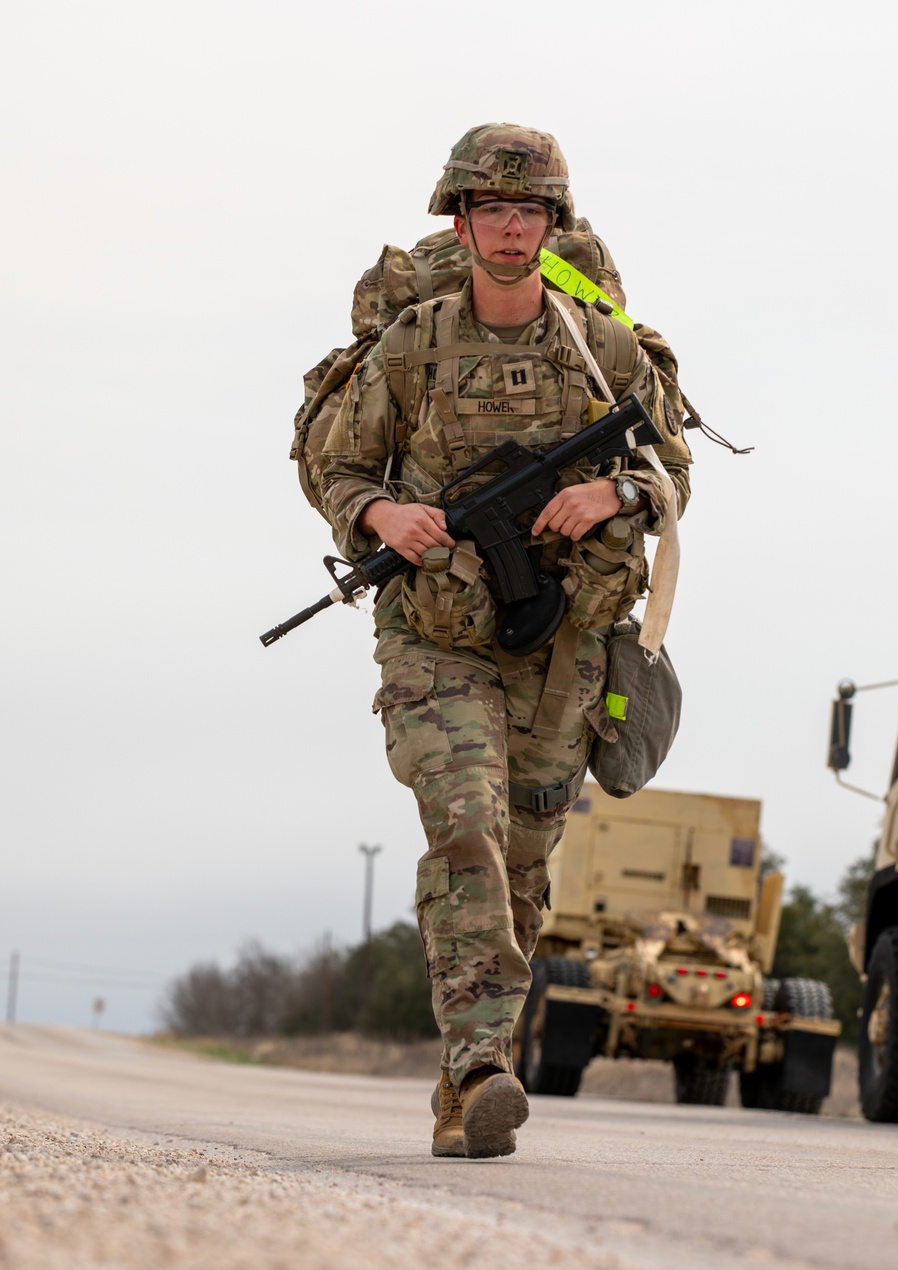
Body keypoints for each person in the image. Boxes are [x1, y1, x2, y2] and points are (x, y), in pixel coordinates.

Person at [320, 124, 692, 1158]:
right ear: (460, 218)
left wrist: (608, 487)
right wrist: (379, 519)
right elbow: (336, 468)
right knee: (468, 827)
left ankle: (459, 1079)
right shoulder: (413, 345)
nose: (512, 226)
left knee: (522, 861)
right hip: (436, 635)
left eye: (529, 210)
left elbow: (669, 473)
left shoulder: (599, 347)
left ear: (552, 225)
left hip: (561, 638)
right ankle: (485, 1062)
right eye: (492, 208)